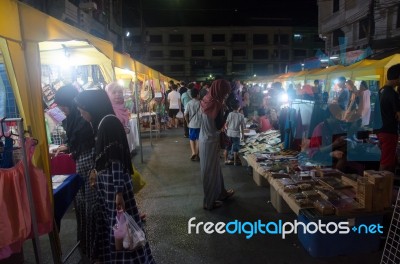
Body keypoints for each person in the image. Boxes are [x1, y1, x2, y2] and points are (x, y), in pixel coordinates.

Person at [74, 89, 155, 263]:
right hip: (110, 188)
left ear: (92, 107)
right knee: (120, 230)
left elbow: (116, 162)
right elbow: (105, 158)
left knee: (124, 231)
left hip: (114, 188)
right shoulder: (103, 123)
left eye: (82, 110)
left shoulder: (108, 124)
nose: (81, 114)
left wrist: (119, 193)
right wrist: (95, 172)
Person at [53, 85, 96, 259]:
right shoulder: (73, 118)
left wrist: (71, 147)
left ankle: (94, 247)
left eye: (64, 105)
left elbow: (86, 140)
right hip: (80, 162)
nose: (62, 109)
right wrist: (68, 146)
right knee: (81, 205)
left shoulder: (83, 116)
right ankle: (86, 244)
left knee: (91, 205)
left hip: (89, 163)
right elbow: (75, 140)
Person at [199, 79, 235, 210]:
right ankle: (209, 202)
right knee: (209, 172)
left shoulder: (206, 99)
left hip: (203, 138)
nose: (226, 95)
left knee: (214, 170)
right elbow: (219, 125)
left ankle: (221, 193)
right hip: (211, 140)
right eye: (225, 92)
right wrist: (226, 113)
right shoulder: (217, 105)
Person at [376, 64, 400, 172]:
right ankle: (379, 185)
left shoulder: (381, 91)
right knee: (386, 162)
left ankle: (387, 185)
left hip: (380, 130)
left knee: (389, 160)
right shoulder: (392, 94)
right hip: (389, 132)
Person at [224, 100, 245, 166]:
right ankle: (235, 162)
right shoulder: (241, 116)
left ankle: (226, 160)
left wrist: (227, 130)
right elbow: (242, 127)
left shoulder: (230, 114)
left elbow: (226, 124)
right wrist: (243, 136)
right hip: (236, 134)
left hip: (229, 134)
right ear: (238, 107)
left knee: (227, 148)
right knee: (236, 149)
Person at [184, 88, 201, 161]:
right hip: (200, 124)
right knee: (198, 139)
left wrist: (187, 122)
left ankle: (193, 152)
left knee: (192, 139)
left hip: (192, 124)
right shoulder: (201, 103)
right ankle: (197, 153)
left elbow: (185, 114)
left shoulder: (189, 103)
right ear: (198, 95)